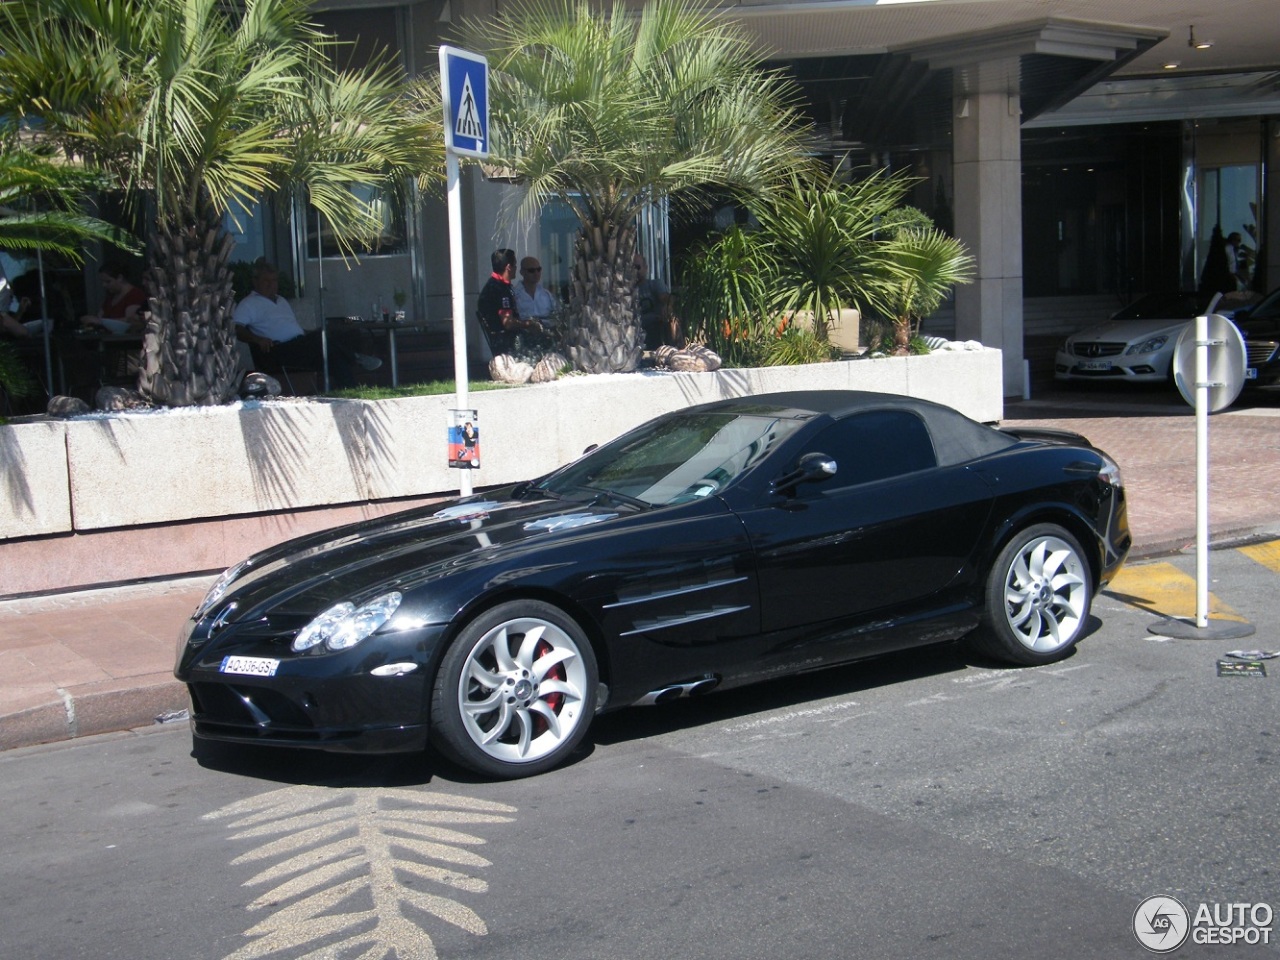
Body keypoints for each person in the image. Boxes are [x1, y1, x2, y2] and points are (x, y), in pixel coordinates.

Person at [233, 259, 380, 390]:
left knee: (343, 339)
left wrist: (308, 333)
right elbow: (236, 328)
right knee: (321, 341)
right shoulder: (249, 304)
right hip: (278, 351)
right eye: (267, 281)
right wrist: (257, 339)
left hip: (299, 346)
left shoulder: (281, 301)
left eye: (274, 281)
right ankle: (355, 358)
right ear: (256, 281)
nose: (271, 285)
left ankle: (349, 387)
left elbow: (289, 327)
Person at [477, 248, 553, 355]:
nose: (516, 268)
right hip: (508, 344)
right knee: (551, 344)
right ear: (508, 267)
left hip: (505, 341)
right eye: (515, 265)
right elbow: (508, 323)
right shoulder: (500, 290)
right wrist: (530, 324)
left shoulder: (494, 285)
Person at [81, 261, 148, 334]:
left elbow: (130, 322)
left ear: (120, 278)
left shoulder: (135, 295)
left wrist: (101, 322)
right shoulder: (111, 297)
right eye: (103, 282)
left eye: (108, 281)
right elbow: (100, 316)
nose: (104, 285)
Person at [634, 253, 684, 349]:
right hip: (634, 332)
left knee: (673, 319)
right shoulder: (623, 292)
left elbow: (666, 298)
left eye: (637, 267)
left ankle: (679, 351)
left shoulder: (654, 284)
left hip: (655, 328)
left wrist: (668, 305)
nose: (634, 271)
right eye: (631, 267)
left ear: (645, 268)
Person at [514, 256, 557, 325]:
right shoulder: (515, 295)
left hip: (547, 333)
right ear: (522, 272)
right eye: (531, 270)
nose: (536, 273)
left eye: (538, 269)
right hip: (524, 333)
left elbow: (556, 315)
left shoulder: (547, 295)